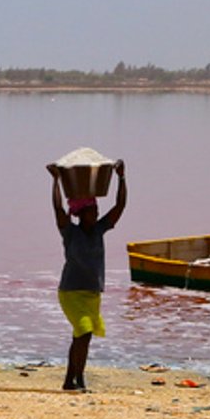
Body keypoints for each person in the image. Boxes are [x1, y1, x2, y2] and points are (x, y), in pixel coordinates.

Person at [50, 159, 128, 392]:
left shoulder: (99, 230)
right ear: (81, 214)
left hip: (93, 294)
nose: (96, 215)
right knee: (83, 332)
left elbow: (120, 206)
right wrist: (55, 180)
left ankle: (72, 380)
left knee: (82, 337)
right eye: (92, 211)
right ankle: (76, 379)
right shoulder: (70, 233)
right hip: (71, 292)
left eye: (96, 211)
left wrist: (121, 178)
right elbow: (57, 209)